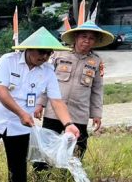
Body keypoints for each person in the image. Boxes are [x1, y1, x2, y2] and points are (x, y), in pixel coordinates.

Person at [0, 27, 80, 182]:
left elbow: (56, 101)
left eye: (49, 53)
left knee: (18, 167)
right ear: (29, 49)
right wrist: (21, 113)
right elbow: (1, 91)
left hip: (21, 126)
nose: (44, 57)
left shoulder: (48, 71)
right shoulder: (8, 61)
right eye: (41, 52)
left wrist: (68, 124)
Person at [34, 19, 113, 165]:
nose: (87, 41)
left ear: (95, 42)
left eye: (91, 38)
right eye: (84, 37)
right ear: (76, 37)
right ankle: (41, 173)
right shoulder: (59, 55)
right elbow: (46, 81)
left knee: (78, 147)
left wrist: (97, 114)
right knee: (47, 144)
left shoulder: (96, 61)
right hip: (54, 111)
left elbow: (97, 89)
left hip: (79, 113)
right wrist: (40, 103)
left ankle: (69, 174)